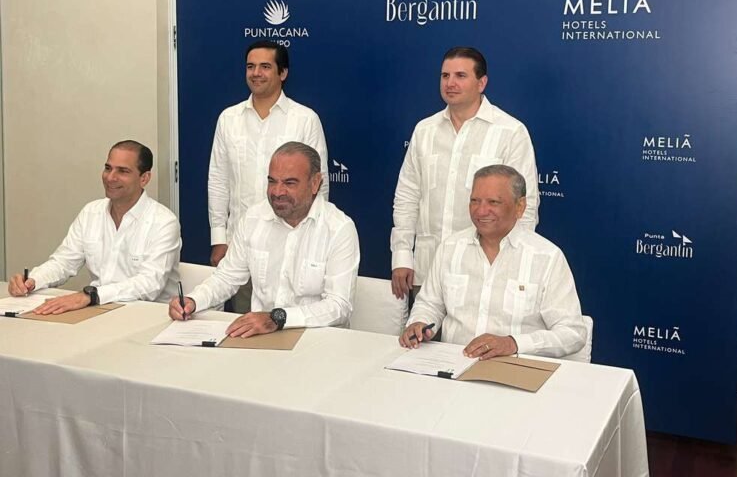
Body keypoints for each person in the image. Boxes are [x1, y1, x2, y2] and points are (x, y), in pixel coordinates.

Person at [391, 46, 539, 301]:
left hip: (487, 274)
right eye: (445, 75)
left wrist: (513, 267)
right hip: (428, 271)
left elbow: (525, 207)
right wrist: (401, 255)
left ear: (482, 83)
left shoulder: (510, 132)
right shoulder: (424, 130)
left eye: (460, 75)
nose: (450, 83)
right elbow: (407, 196)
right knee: (422, 328)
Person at [171, 142, 359, 337]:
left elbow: (339, 306)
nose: (277, 192)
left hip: (318, 340)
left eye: (289, 183)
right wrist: (193, 301)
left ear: (315, 183)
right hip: (261, 339)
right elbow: (226, 277)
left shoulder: (339, 229)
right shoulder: (253, 218)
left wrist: (278, 318)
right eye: (272, 181)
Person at [400, 165, 585, 359]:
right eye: (475, 201)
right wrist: (419, 323)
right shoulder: (450, 248)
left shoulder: (547, 257)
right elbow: (429, 304)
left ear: (520, 206)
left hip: (516, 367)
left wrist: (513, 343)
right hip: (453, 364)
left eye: (493, 202)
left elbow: (572, 333)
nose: (481, 211)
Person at [208, 41, 329, 311]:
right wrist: (219, 238)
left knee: (292, 321)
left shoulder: (305, 119)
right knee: (245, 323)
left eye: (265, 67)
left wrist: (313, 241)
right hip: (241, 246)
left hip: (293, 245)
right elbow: (218, 180)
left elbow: (319, 186)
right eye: (250, 66)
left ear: (282, 73)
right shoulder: (228, 118)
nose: (256, 73)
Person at [8, 141, 181, 314]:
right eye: (108, 168)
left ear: (144, 178)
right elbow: (63, 262)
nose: (110, 177)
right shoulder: (91, 212)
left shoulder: (163, 222)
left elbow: (150, 284)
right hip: (99, 311)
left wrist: (91, 296)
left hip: (147, 315)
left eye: (123, 171)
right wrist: (32, 280)